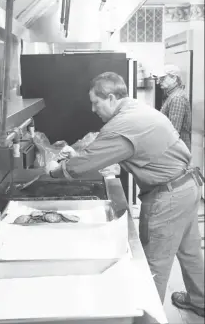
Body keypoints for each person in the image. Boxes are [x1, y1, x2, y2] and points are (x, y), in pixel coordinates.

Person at [46, 72, 204, 317]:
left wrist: (56, 171)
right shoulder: (135, 110)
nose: (92, 109)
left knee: (153, 267)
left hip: (169, 197)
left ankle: (147, 319)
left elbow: (84, 164)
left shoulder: (121, 125)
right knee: (190, 251)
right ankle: (200, 300)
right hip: (187, 186)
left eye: (95, 103)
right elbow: (137, 149)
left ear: (110, 98)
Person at [155, 64, 192, 151]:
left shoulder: (176, 98)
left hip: (177, 152)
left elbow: (174, 131)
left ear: (174, 79)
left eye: (163, 78)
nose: (159, 81)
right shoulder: (172, 96)